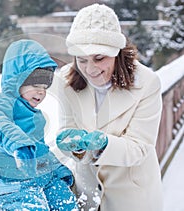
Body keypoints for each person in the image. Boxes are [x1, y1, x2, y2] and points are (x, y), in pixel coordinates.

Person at [55, 4, 163, 211]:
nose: (90, 69)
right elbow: (67, 129)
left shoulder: (147, 82)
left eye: (99, 58)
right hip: (89, 195)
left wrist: (103, 145)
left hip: (133, 197)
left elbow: (140, 147)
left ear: (117, 53)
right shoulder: (66, 80)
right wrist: (71, 145)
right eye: (82, 60)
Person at [0, 39, 78, 211]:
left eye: (44, 87)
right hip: (7, 184)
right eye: (34, 85)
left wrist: (56, 170)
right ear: (17, 81)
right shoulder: (1, 103)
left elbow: (39, 149)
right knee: (33, 208)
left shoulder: (36, 117)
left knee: (65, 201)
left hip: (37, 178)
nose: (41, 92)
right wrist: (20, 145)